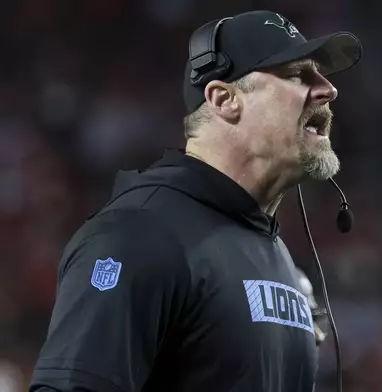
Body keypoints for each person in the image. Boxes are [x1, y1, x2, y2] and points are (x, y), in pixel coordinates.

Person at [29, 10, 362, 392]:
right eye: (297, 74)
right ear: (224, 99)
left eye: (320, 74)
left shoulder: (276, 257)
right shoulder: (138, 235)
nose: (328, 89)